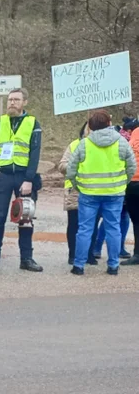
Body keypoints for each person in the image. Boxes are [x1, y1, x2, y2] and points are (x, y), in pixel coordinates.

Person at [66, 109, 137, 276]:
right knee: (113, 228)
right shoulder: (121, 142)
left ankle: (79, 265)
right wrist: (122, 184)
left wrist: (78, 185)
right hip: (114, 193)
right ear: (109, 124)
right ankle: (113, 266)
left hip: (88, 193)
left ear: (90, 126)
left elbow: (70, 170)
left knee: (84, 229)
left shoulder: (84, 143)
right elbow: (131, 167)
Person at [0, 88, 44, 272]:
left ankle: (26, 259)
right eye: (10, 100)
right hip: (2, 176)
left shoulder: (33, 123)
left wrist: (29, 179)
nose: (12, 103)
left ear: (24, 102)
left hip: (23, 177)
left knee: (26, 218)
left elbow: (35, 154)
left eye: (16, 100)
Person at [59, 122, 90, 266]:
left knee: (91, 224)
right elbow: (62, 165)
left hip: (94, 189)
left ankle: (88, 254)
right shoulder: (74, 145)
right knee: (74, 223)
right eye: (88, 127)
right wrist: (77, 166)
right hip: (74, 189)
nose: (89, 130)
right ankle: (73, 254)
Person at [126, 126, 139, 266]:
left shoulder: (135, 132)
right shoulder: (135, 132)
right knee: (136, 221)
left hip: (133, 183)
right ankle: (137, 254)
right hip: (132, 182)